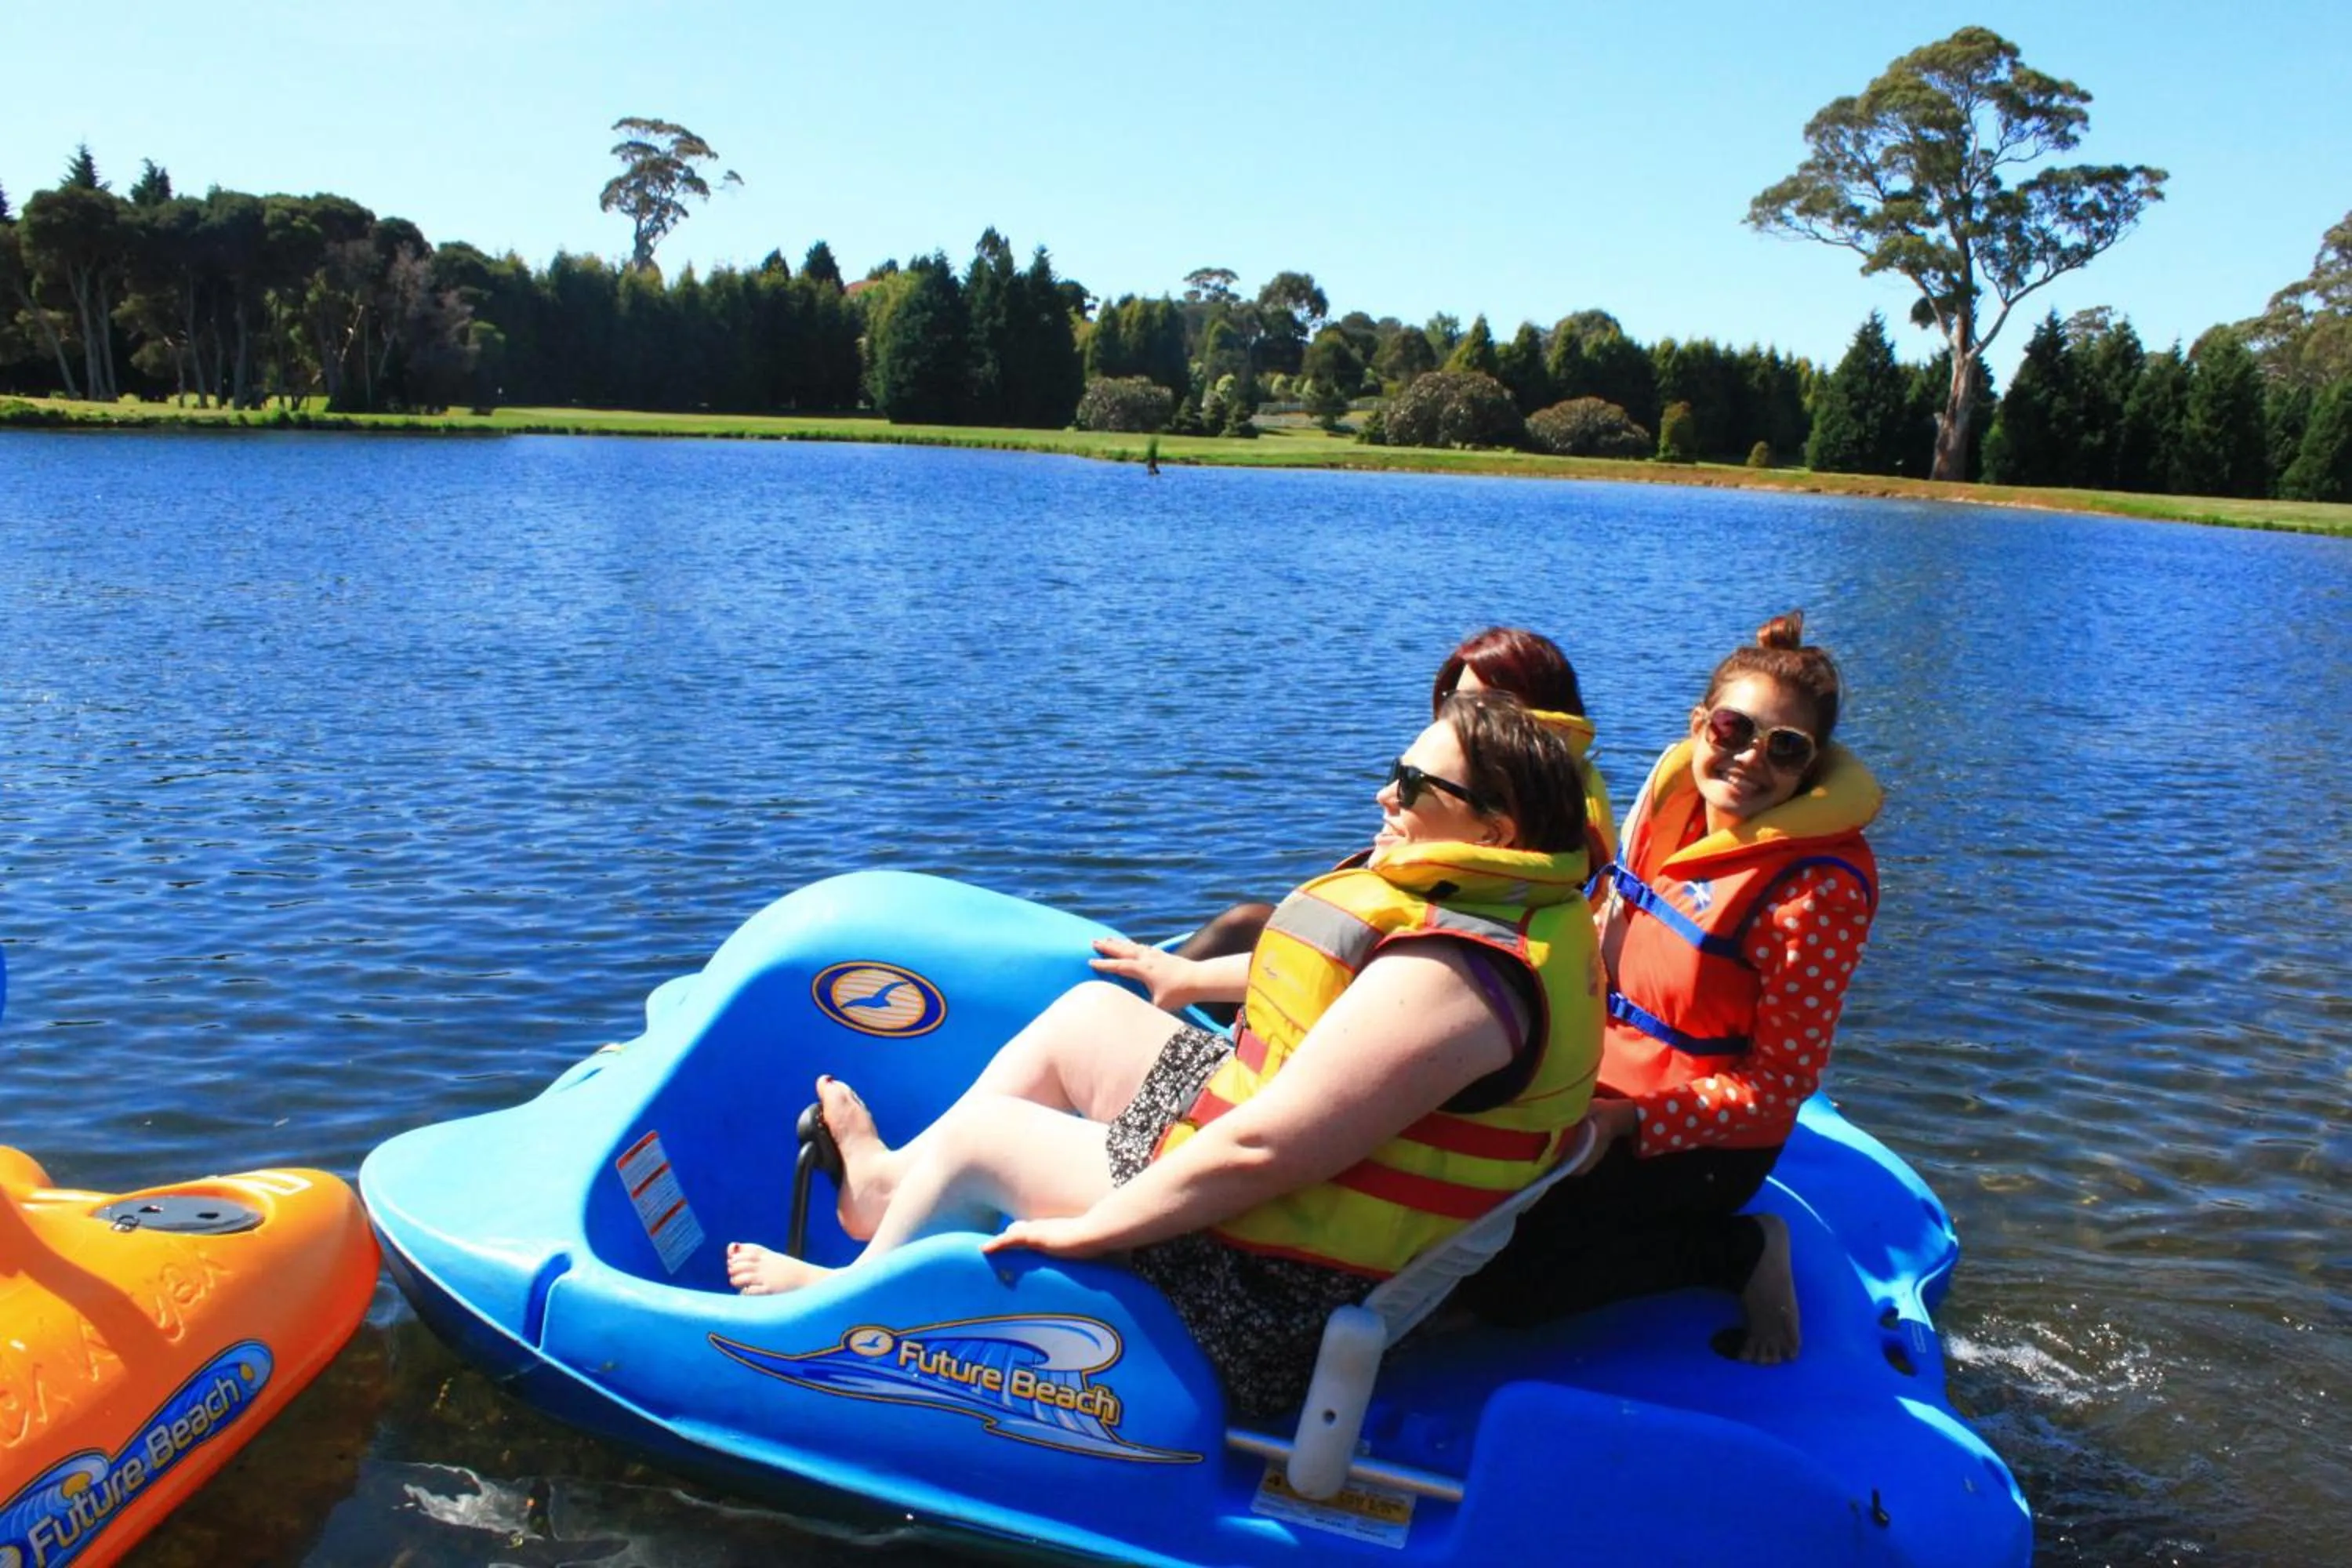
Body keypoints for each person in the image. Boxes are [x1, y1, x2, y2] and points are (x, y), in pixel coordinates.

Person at [727, 691, 1605, 1417]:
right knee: (1088, 1017)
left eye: (1414, 784)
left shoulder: (1459, 977)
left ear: (1495, 828)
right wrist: (1183, 974)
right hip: (1293, 1202)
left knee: (987, 1138)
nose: (1387, 793)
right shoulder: (1515, 913)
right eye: (1395, 771)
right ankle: (889, 1195)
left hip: (1271, 1281)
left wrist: (1089, 1230)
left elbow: (1267, 1148)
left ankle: (838, 1309)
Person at [1456, 611, 1880, 1366]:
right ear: (1699, 726)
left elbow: (1779, 1086)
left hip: (1700, 1140)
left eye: (1784, 748)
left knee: (1504, 1288)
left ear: (1809, 769)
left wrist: (1625, 1124)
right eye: (1731, 730)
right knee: (1446, 1190)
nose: (1751, 759)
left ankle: (1740, 1250)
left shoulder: (1814, 892)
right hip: (1589, 1076)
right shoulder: (1671, 804)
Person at [1163, 626, 1614, 1014]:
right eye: (1454, 701)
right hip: (1390, 950)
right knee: (1247, 923)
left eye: (1485, 705)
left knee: (1243, 928)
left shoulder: (1551, 817)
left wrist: (1191, 979)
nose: (1462, 717)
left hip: (1410, 972)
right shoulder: (1508, 793)